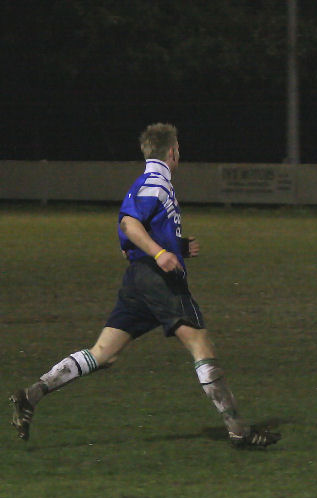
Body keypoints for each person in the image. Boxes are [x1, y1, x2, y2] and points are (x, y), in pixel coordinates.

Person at [10, 123, 280, 449]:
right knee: (201, 346)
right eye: (178, 148)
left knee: (103, 355)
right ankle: (239, 430)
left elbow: (129, 238)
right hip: (158, 280)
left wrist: (175, 246)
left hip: (139, 279)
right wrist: (162, 253)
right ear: (172, 152)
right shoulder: (156, 183)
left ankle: (31, 395)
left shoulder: (146, 183)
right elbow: (129, 223)